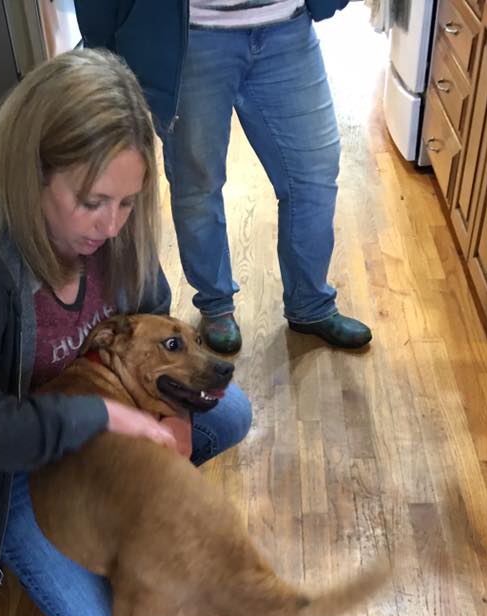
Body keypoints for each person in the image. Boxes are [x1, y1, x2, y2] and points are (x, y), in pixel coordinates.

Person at [0, 49, 252, 616]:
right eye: (92, 202)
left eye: (127, 202)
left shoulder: (120, 228)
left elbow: (154, 320)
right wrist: (104, 417)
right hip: (12, 467)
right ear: (32, 173)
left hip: (101, 417)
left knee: (229, 414)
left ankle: (121, 501)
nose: (112, 225)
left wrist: (168, 419)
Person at [74, 0, 371, 356]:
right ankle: (215, 305)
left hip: (288, 25)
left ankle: (311, 305)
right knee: (197, 185)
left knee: (314, 175)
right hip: (190, 34)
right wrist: (101, 43)